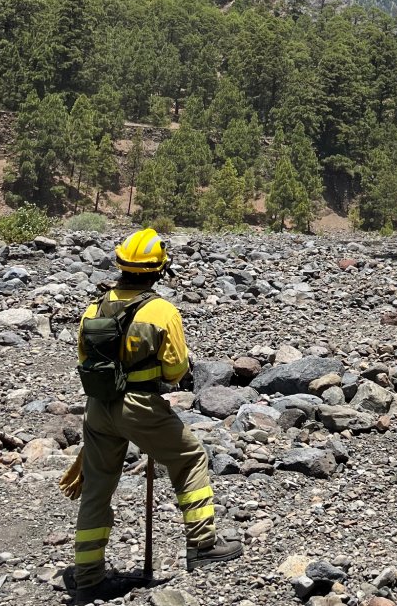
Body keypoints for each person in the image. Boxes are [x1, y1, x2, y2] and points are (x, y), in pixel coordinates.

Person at [71, 229, 242, 604]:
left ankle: (87, 578)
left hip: (98, 408)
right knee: (190, 457)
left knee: (97, 488)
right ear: (158, 270)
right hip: (141, 407)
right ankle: (202, 543)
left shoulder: (94, 307)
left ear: (121, 266)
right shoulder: (161, 310)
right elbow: (176, 369)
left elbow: (84, 359)